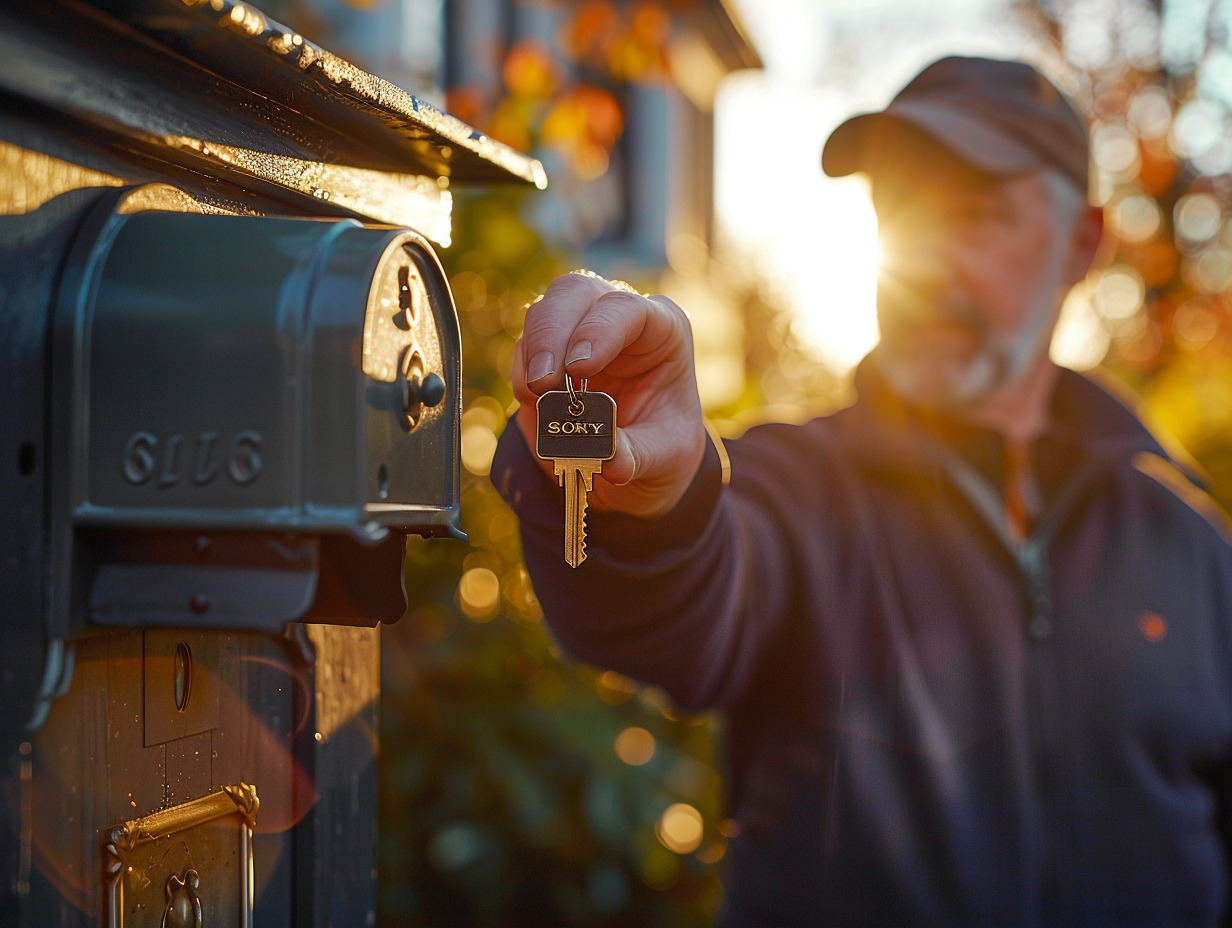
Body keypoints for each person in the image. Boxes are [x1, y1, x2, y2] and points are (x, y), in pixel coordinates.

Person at [491, 55, 1232, 926]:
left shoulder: (1190, 541)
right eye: (903, 212)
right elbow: (691, 601)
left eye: (979, 214)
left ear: (1081, 245)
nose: (930, 264)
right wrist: (654, 498)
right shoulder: (800, 495)